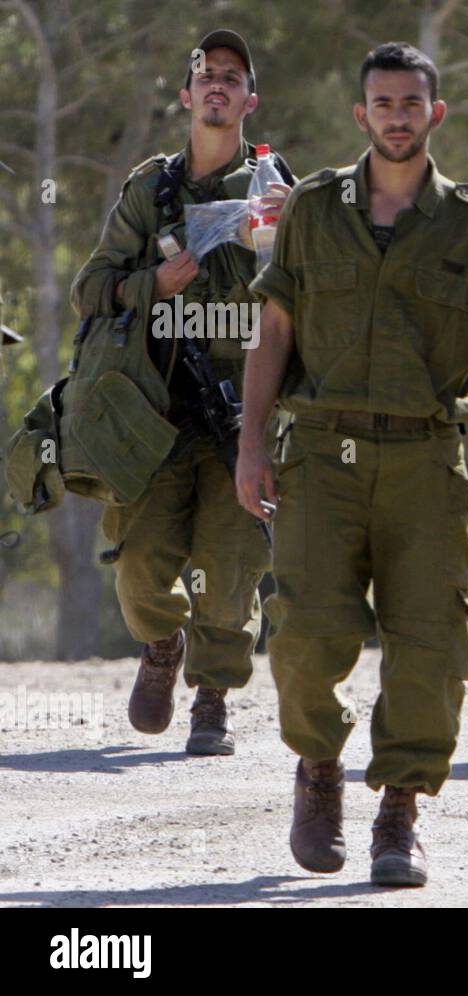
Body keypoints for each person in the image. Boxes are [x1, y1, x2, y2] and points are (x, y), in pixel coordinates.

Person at [238, 42, 468, 886]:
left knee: (432, 641)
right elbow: (277, 329)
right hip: (319, 459)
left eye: (411, 102)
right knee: (302, 635)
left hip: (425, 462)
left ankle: (399, 810)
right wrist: (250, 442)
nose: (396, 115)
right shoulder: (312, 211)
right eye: (382, 102)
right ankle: (320, 773)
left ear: (434, 114)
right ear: (360, 114)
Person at [70, 29, 293, 757]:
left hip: (247, 413)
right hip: (158, 414)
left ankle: (213, 697)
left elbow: (317, 294)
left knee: (232, 565)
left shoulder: (274, 184)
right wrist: (151, 285)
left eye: (234, 76)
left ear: (250, 99)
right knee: (139, 568)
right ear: (188, 96)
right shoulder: (151, 189)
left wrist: (296, 236)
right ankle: (161, 645)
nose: (219, 85)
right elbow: (89, 290)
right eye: (207, 75)